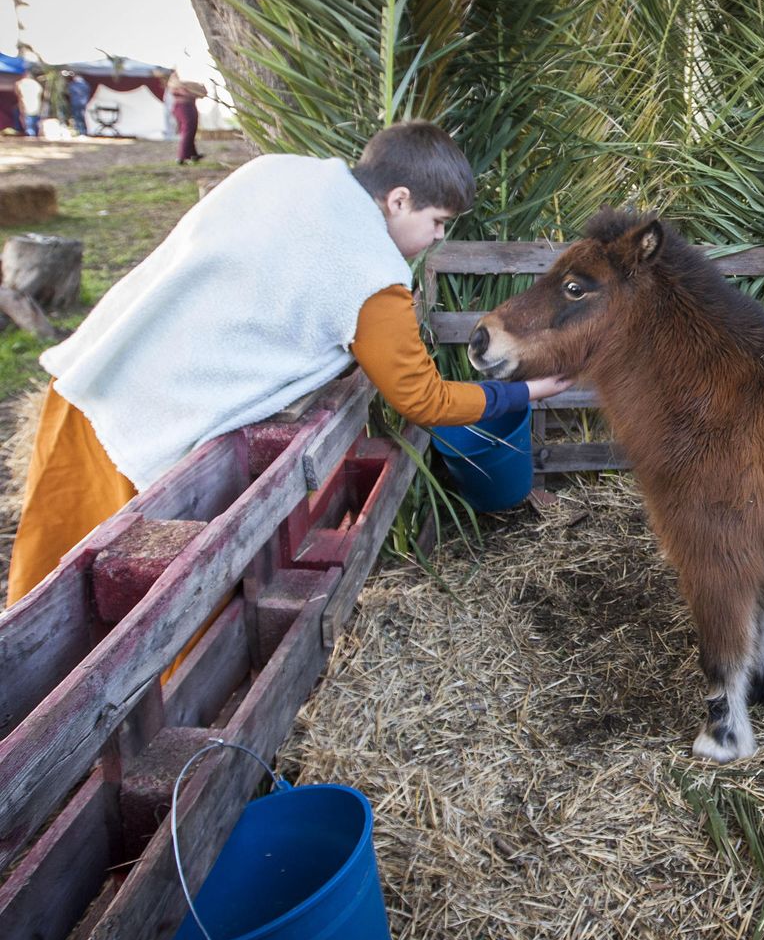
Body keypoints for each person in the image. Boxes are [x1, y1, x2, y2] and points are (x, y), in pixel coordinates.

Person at [6, 120, 572, 604]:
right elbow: (422, 399)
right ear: (399, 199)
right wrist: (527, 393)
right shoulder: (372, 276)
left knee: (38, 592)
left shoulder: (279, 171)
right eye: (439, 221)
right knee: (104, 618)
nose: (437, 238)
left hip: (87, 381)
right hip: (143, 438)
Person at [169, 71, 204, 163]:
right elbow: (183, 92)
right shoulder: (176, 82)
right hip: (184, 106)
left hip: (187, 106)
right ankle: (182, 156)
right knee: (188, 129)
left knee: (191, 130)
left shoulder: (180, 82)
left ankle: (192, 154)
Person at [15, 70, 43, 137]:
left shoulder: (20, 83)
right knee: (34, 121)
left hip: (25, 104)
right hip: (36, 105)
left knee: (27, 122)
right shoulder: (36, 83)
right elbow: (40, 93)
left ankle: (30, 134)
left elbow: (18, 93)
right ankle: (34, 134)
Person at [65, 71, 90, 136]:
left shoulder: (73, 85)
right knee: (81, 118)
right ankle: (83, 131)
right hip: (83, 103)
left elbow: (69, 91)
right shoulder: (86, 85)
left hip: (76, 103)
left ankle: (79, 131)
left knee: (77, 118)